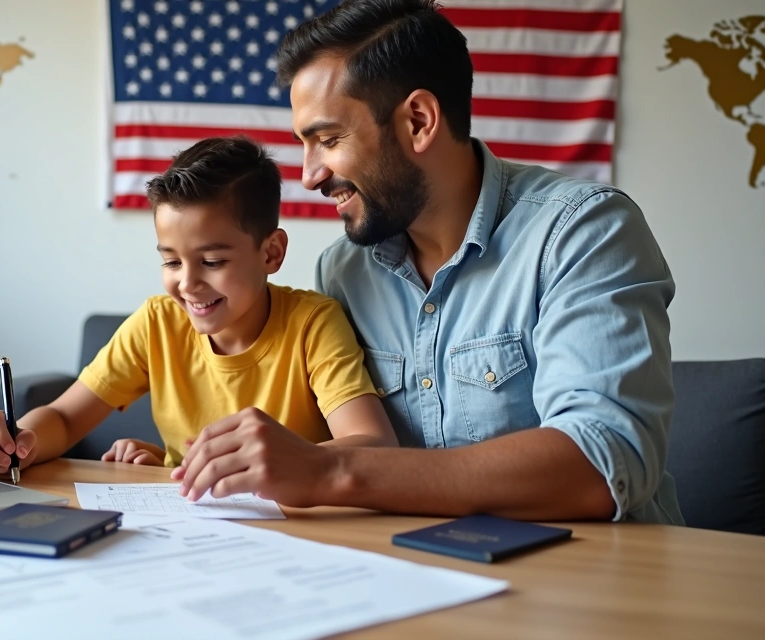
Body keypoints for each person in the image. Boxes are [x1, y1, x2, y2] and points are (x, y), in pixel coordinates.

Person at [173, 0, 684, 524]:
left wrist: (334, 473)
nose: (309, 176)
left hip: (597, 585)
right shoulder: (342, 271)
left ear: (418, 121)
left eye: (327, 140)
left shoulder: (584, 232)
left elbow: (602, 464)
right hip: (421, 576)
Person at [0, 136, 397, 479]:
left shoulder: (313, 324)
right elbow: (63, 417)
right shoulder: (157, 323)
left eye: (212, 262)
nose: (187, 283)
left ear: (270, 254)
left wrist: (284, 460)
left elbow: (373, 445)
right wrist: (15, 443)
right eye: (170, 261)